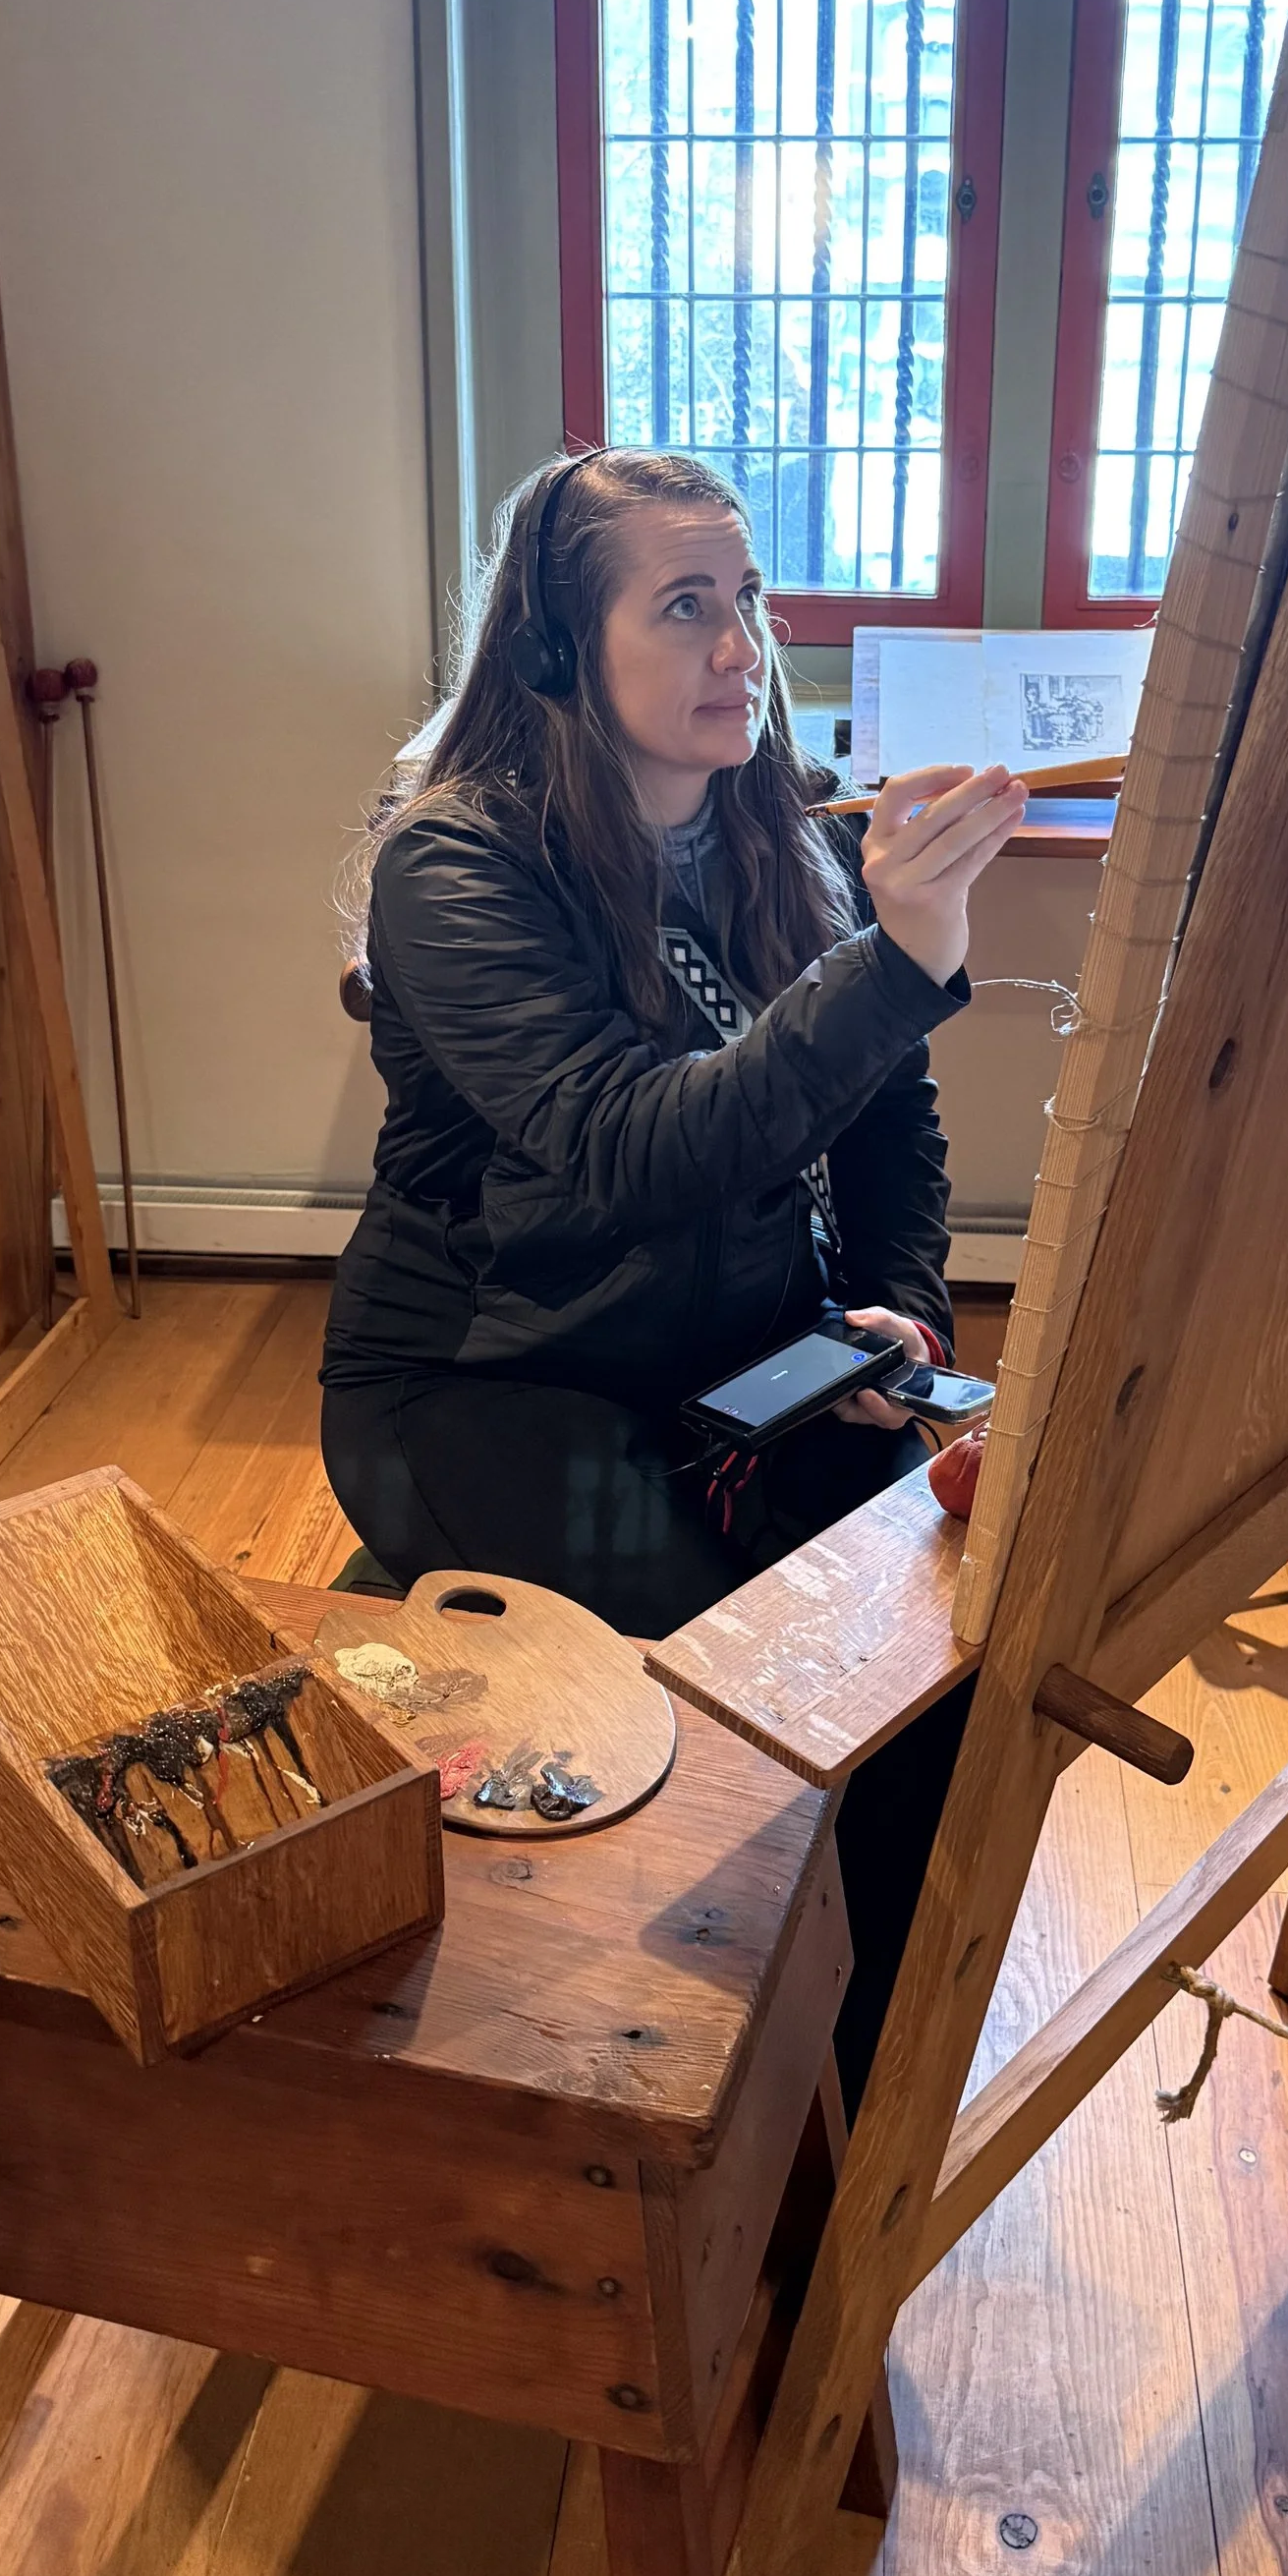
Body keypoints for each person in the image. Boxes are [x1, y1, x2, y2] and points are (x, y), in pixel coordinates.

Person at [322, 444, 1026, 2092]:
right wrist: (900, 958)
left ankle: (869, 2099)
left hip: (741, 1360)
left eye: (750, 600)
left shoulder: (780, 822)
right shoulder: (457, 866)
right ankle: (732, 2106)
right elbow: (638, 1149)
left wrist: (900, 1314)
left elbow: (888, 1123)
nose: (742, 648)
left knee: (942, 1659)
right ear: (561, 646)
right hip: (492, 1383)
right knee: (764, 1709)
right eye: (687, 606)